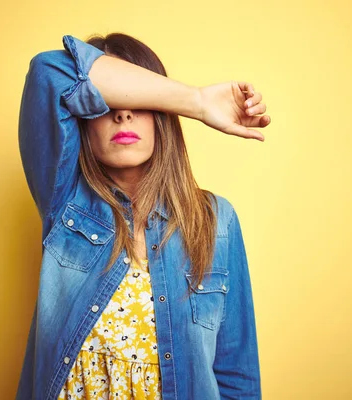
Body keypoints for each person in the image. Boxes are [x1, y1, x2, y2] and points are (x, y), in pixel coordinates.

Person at [16, 32, 270, 400]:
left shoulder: (216, 221)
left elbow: (237, 376)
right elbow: (48, 72)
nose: (122, 112)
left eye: (137, 100)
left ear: (161, 117)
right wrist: (196, 101)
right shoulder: (66, 202)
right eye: (107, 100)